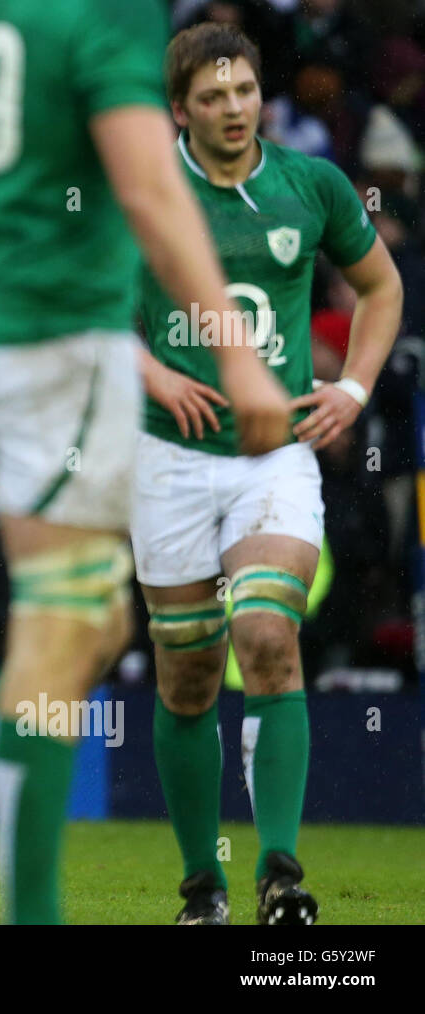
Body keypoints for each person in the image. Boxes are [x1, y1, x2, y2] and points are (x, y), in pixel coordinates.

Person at [0, 0, 292, 925]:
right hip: (60, 345)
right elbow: (152, 189)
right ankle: (16, 907)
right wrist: (237, 352)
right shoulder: (108, 11)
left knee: (92, 618)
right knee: (67, 624)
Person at [135, 23, 401, 925]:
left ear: (262, 94)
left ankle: (281, 875)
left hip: (272, 456)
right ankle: (199, 886)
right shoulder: (140, 189)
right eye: (213, 97)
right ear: (181, 109)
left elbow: (382, 286)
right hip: (164, 458)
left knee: (267, 636)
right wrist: (156, 372)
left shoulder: (311, 184)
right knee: (188, 679)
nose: (234, 108)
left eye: (244, 91)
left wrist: (356, 387)